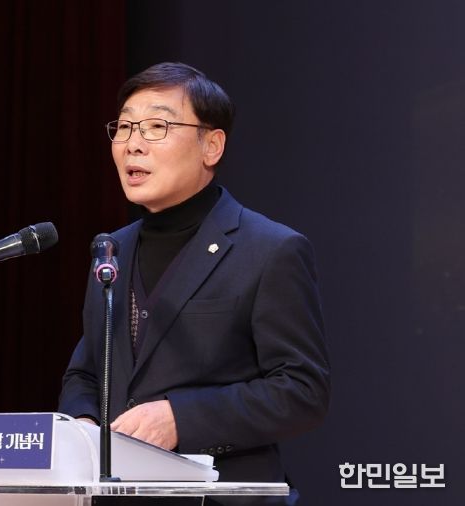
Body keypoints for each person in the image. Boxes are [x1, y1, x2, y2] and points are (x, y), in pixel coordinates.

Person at [58, 62, 331, 504]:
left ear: (212, 146)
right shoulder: (111, 250)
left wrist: (181, 419)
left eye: (157, 127)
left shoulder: (270, 249)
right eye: (124, 127)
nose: (133, 144)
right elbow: (85, 373)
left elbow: (303, 390)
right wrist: (83, 426)